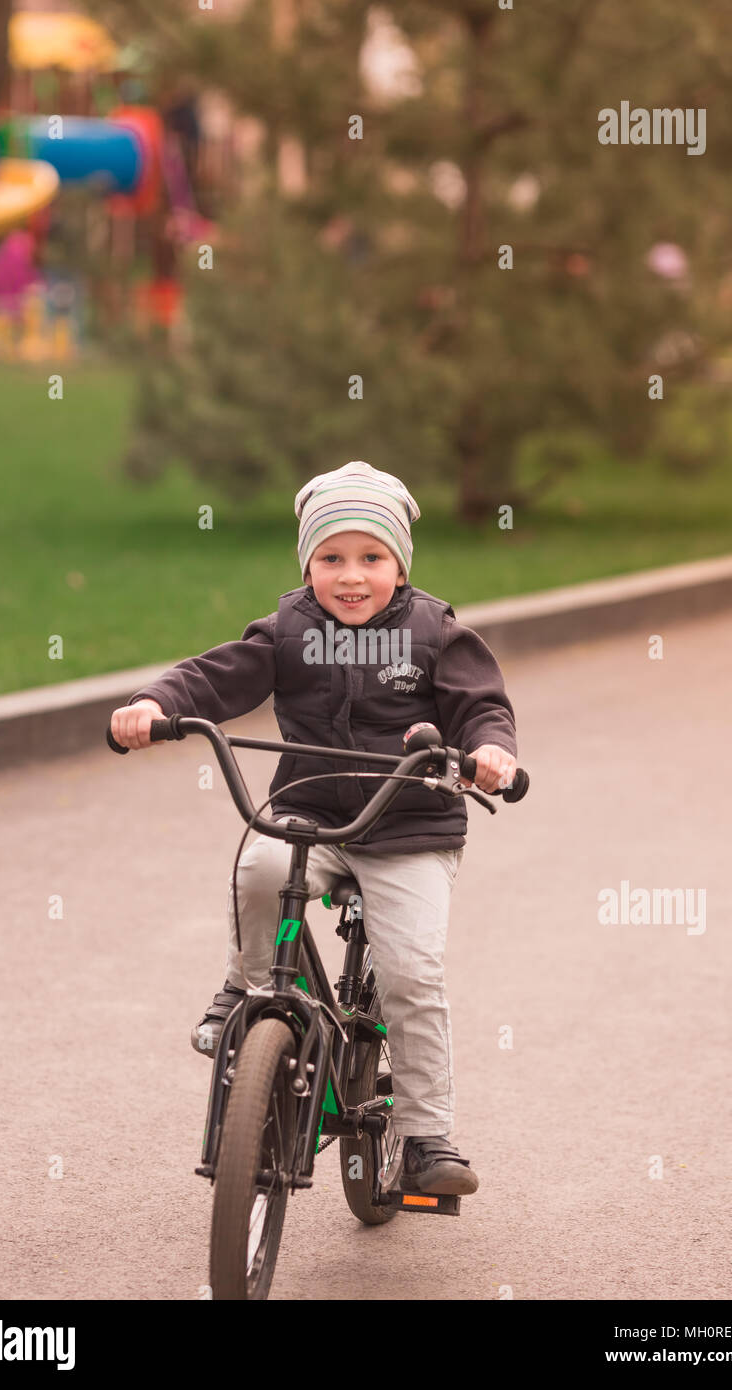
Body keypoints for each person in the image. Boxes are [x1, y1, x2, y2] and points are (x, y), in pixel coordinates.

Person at [109, 461, 518, 1196]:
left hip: (411, 830)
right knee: (260, 869)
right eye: (331, 558)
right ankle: (245, 989)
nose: (350, 576)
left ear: (400, 564)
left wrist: (491, 752)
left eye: (371, 558)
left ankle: (426, 1136)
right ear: (307, 564)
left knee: (412, 973)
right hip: (312, 814)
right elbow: (211, 679)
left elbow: (482, 708)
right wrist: (153, 700)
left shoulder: (437, 633)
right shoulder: (288, 631)